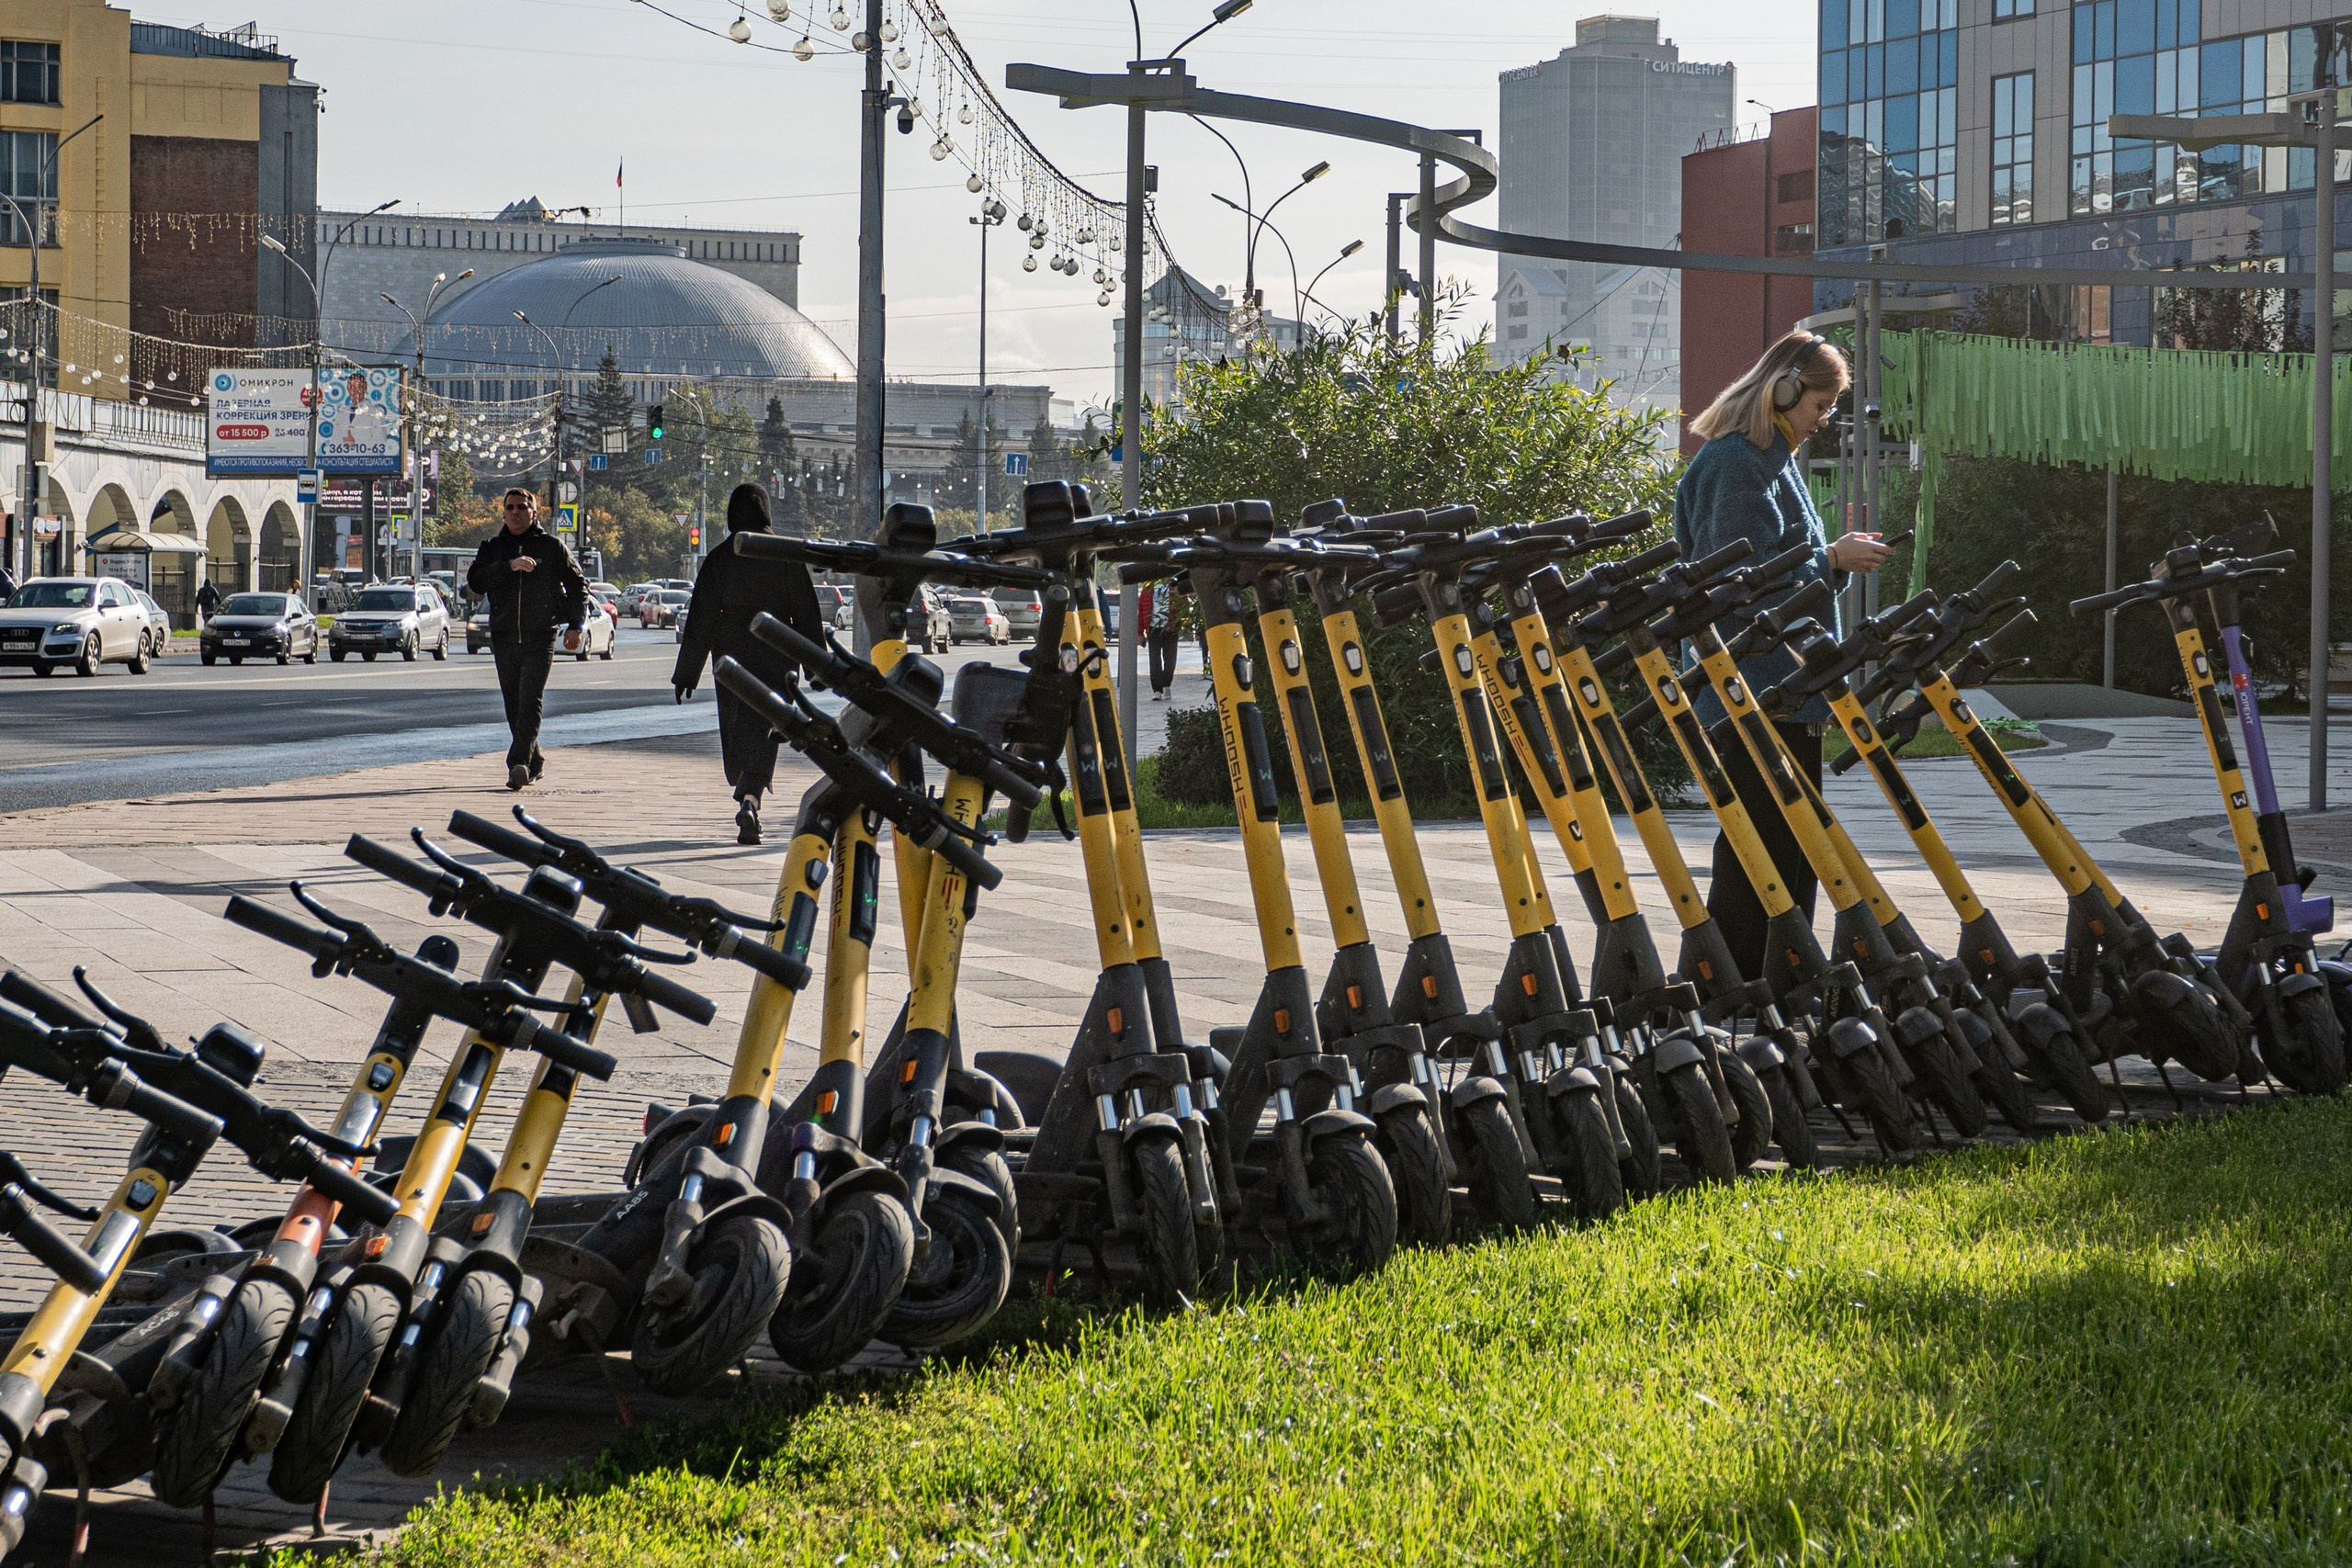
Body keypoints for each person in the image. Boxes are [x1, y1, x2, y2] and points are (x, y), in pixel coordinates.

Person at [1674, 330, 1889, 981]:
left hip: (1785, 687)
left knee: (1791, 845)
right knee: (1760, 851)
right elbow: (1739, 579)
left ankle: (1781, 971)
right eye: (1819, 405)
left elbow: (1784, 568)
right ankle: (1729, 980)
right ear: (1785, 388)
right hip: (1751, 688)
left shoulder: (1772, 459)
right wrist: (1831, 557)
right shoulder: (1738, 464)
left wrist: (1831, 560)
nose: (1822, 421)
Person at [673, 483, 823, 844]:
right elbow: (807, 613)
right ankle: (751, 797)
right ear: (766, 512)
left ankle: (747, 791)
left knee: (736, 726)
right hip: (777, 654)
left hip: (730, 657)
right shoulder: (786, 555)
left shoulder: (721, 558)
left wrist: (687, 672)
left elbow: (701, 620)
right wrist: (816, 668)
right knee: (768, 727)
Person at [467, 488, 584, 790]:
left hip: (540, 634)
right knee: (512, 703)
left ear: (535, 512)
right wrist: (509, 566)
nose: (516, 512)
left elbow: (577, 585)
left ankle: (517, 762)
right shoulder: (492, 547)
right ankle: (535, 761)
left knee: (530, 700)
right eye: (511, 507)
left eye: (522, 507)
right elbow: (476, 580)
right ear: (503, 513)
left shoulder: (552, 547)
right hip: (504, 635)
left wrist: (575, 625)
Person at [1146, 580, 1180, 699]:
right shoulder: (1148, 588)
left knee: (1170, 659)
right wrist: (1140, 633)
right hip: (1153, 629)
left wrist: (1177, 624)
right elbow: (1142, 610)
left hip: (1171, 629)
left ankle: (1166, 685)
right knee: (1154, 659)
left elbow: (1183, 606)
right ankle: (1157, 690)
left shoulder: (1174, 587)